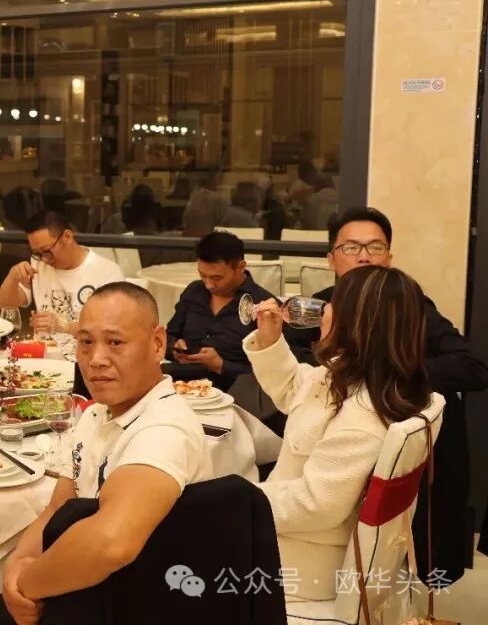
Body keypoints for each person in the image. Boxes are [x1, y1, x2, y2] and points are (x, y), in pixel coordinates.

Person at [0, 282, 212, 625]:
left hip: (125, 608)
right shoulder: (96, 415)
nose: (97, 360)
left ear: (157, 343)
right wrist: (18, 564)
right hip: (78, 600)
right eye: (86, 342)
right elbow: (57, 507)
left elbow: (111, 542)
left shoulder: (165, 427)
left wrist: (27, 585)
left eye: (115, 342)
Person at [285, 206, 488, 585]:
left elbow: (473, 366)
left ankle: (412, 579)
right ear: (331, 259)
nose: (364, 256)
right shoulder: (320, 308)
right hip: (333, 446)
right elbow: (293, 367)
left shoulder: (408, 306)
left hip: (395, 440)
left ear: (389, 257)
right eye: (351, 247)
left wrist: (387, 371)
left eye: (375, 247)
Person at [245, 266, 433, 601]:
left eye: (333, 302)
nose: (323, 309)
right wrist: (270, 340)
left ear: (358, 322)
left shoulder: (364, 415)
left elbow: (315, 505)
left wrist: (239, 499)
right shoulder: (349, 377)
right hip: (288, 535)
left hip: (300, 562)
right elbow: (295, 389)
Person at [0, 211, 122, 355]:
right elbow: (6, 305)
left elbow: (112, 329)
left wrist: (63, 325)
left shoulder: (106, 271)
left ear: (67, 237)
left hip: (88, 359)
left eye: (46, 251)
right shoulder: (38, 265)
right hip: (43, 357)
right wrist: (13, 277)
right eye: (37, 253)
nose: (44, 259)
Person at [164, 232, 275, 391]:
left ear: (240, 267)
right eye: (203, 275)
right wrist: (174, 349)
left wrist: (221, 365)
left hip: (234, 392)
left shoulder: (262, 305)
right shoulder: (195, 291)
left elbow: (274, 372)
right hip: (182, 386)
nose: (208, 285)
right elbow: (168, 336)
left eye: (217, 278)